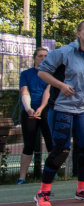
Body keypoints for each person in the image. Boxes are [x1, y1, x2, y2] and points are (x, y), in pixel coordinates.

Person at [35, 19, 84, 206]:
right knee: (61, 151)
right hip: (62, 107)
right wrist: (60, 85)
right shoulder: (63, 52)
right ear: (78, 33)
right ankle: (43, 192)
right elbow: (42, 72)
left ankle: (82, 189)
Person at [16, 47, 52, 184]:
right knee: (29, 145)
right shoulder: (26, 74)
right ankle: (22, 177)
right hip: (29, 112)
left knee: (50, 142)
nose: (43, 58)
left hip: (47, 110)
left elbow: (48, 93)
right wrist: (29, 109)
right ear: (34, 58)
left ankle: (52, 174)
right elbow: (24, 91)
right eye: (40, 56)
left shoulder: (51, 74)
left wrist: (41, 108)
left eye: (45, 56)